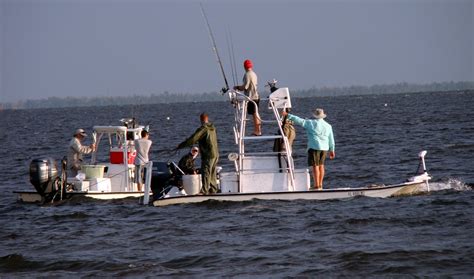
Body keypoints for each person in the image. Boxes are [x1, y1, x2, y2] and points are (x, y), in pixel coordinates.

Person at [282, 108, 335, 190]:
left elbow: (299, 120)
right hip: (324, 148)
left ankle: (316, 185)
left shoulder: (310, 123)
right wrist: (332, 149)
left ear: (315, 115)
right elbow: (331, 139)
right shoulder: (328, 126)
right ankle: (320, 185)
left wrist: (288, 115)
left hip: (314, 147)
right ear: (323, 116)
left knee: (315, 166)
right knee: (321, 165)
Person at [177, 113, 219, 194]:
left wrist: (182, 145)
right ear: (207, 119)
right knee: (212, 172)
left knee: (206, 172)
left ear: (201, 119)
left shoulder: (203, 129)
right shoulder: (212, 128)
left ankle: (204, 190)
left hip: (208, 155)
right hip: (215, 154)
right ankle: (213, 189)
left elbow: (193, 139)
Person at [234, 59, 261, 136]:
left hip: (251, 97)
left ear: (244, 66)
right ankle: (259, 130)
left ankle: (257, 131)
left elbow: (245, 87)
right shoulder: (254, 74)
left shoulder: (247, 74)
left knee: (254, 114)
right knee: (256, 113)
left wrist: (237, 87)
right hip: (256, 96)